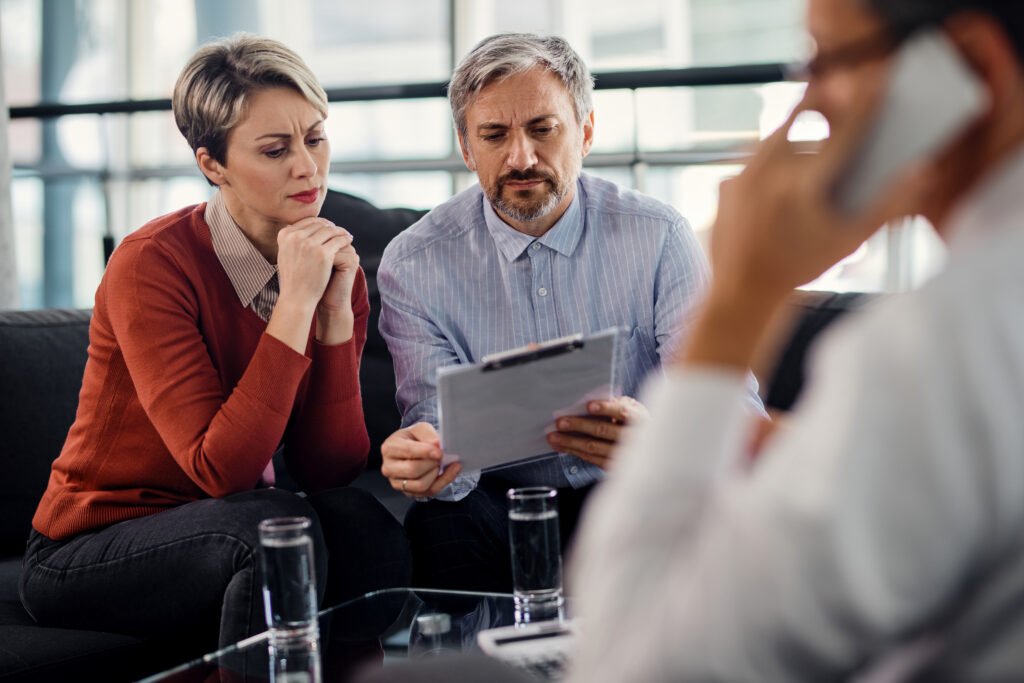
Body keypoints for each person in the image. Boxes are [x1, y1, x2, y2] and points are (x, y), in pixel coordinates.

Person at [569, 0, 1024, 680]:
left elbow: (630, 662)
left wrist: (735, 307)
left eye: (829, 60)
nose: (809, 105)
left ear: (972, 69)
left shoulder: (938, 344)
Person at [19, 34, 410, 652]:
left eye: (315, 137)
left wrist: (334, 314)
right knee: (269, 529)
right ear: (213, 165)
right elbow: (219, 470)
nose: (307, 167)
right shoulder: (152, 265)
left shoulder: (331, 268)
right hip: (88, 549)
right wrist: (294, 305)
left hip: (224, 527)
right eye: (275, 149)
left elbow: (328, 470)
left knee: (364, 525)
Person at [377, 33, 763, 592]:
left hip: (634, 488)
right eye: (494, 135)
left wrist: (660, 438)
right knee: (438, 525)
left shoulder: (659, 236)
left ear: (584, 132)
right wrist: (427, 458)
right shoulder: (413, 263)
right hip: (500, 501)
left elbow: (730, 404)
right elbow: (434, 417)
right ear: (466, 148)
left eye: (542, 129)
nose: (521, 158)